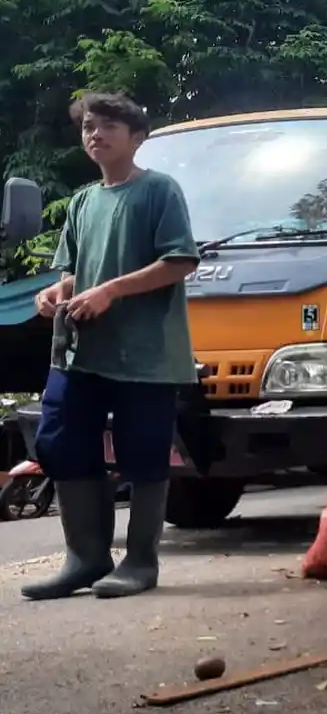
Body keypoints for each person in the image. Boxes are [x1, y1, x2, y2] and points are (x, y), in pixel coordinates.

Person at [23, 92, 200, 601]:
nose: (94, 135)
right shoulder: (83, 201)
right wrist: (57, 293)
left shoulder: (159, 191)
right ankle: (85, 557)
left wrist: (113, 289)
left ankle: (140, 561)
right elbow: (73, 273)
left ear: (136, 137)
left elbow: (180, 261)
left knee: (141, 452)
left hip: (145, 354)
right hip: (82, 352)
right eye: (88, 129)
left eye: (107, 128)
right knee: (58, 439)